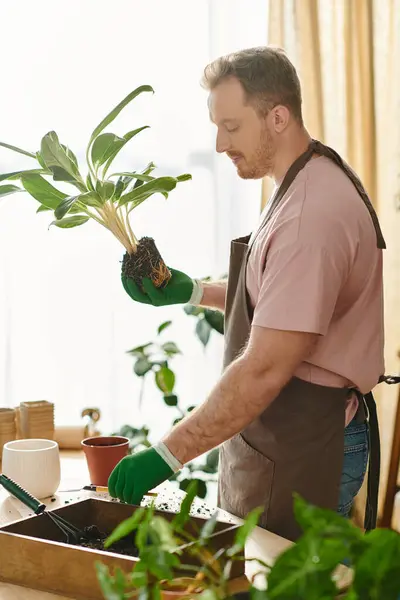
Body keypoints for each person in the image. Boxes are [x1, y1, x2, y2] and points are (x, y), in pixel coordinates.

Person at [108, 46, 386, 541]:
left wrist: (167, 453)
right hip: (285, 435)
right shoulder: (302, 178)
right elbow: (281, 298)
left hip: (309, 445)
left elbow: (263, 369)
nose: (219, 144)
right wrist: (192, 290)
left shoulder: (311, 216)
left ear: (278, 117)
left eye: (232, 127)